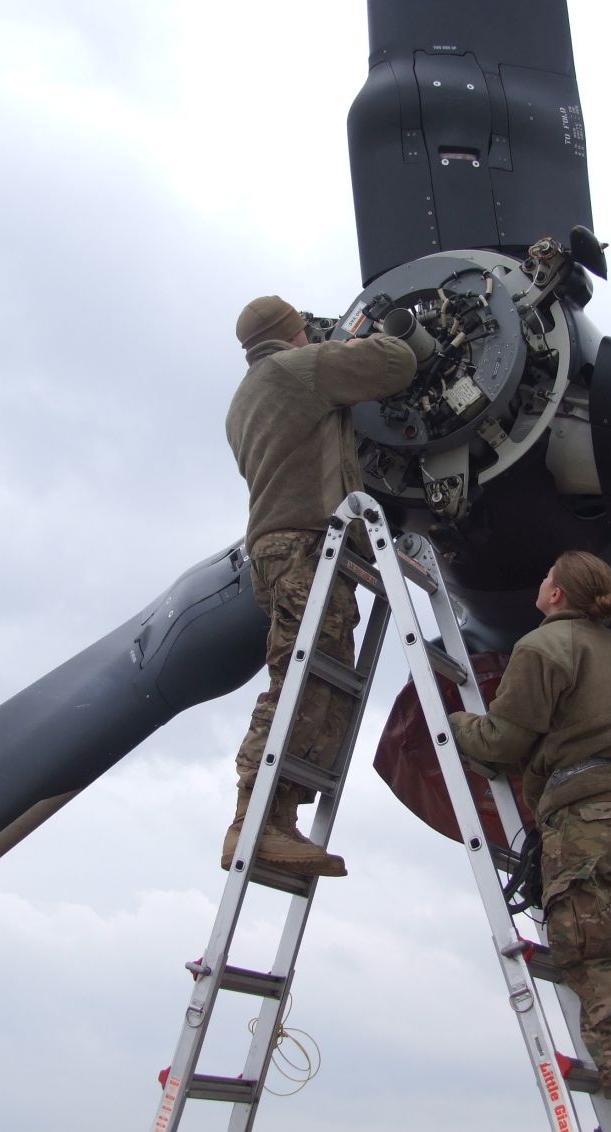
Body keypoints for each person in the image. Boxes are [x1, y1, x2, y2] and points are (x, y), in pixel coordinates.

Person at [448, 551, 611, 1132]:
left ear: (557, 595)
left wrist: (455, 724)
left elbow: (502, 741)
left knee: (601, 964)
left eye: (548, 575)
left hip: (590, 821)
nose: (541, 581)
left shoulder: (544, 648)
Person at [224, 295, 416, 875]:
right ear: (293, 333)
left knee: (318, 679)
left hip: (276, 551)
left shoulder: (243, 399)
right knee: (300, 679)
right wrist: (356, 342)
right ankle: (253, 823)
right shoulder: (300, 369)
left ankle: (278, 818)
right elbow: (397, 362)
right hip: (305, 547)